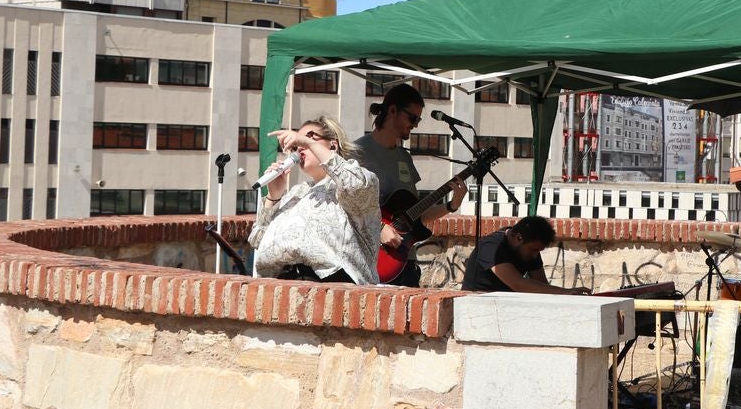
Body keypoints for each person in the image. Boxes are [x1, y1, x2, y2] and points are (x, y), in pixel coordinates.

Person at [353, 83, 467, 287]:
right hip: (367, 261)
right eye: (412, 118)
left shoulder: (404, 158)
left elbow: (415, 215)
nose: (415, 125)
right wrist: (379, 227)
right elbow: (344, 206)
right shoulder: (356, 153)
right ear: (393, 110)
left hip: (405, 263)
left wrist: (452, 205)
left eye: (418, 119)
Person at [249, 115, 381, 285]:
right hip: (282, 285)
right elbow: (257, 239)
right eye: (297, 145)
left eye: (309, 137)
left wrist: (309, 143)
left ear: (332, 144)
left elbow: (355, 185)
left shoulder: (353, 180)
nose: (300, 147)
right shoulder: (297, 193)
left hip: (331, 284)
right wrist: (274, 196)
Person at [462, 215, 589, 294]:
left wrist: (570, 294)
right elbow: (517, 284)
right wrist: (565, 292)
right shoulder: (492, 247)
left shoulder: (529, 247)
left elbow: (542, 286)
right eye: (533, 250)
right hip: (477, 304)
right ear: (518, 238)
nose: (535, 255)